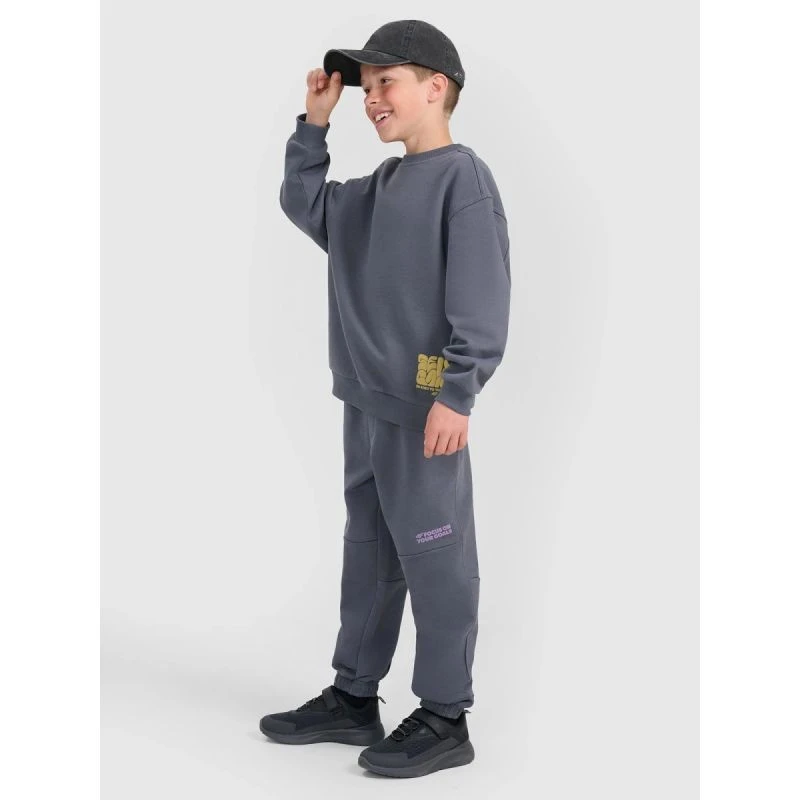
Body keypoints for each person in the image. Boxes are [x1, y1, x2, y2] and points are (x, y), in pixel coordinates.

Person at [259, 19, 511, 778]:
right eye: (365, 88)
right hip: (365, 404)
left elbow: (481, 300)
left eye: (385, 84)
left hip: (426, 412)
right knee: (368, 552)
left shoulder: (463, 182)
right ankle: (354, 695)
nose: (371, 99)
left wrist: (456, 394)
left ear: (436, 87)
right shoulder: (372, 192)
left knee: (436, 559)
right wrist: (314, 122)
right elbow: (304, 200)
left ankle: (445, 714)